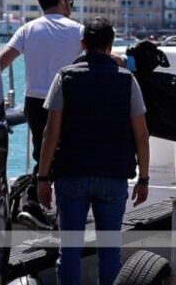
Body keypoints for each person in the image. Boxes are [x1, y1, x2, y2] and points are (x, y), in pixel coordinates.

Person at [36, 17, 150, 285]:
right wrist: (143, 178)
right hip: (113, 176)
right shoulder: (128, 81)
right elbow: (142, 135)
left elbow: (50, 134)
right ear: (111, 46)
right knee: (110, 253)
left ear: (83, 44)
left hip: (72, 174)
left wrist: (42, 177)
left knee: (69, 252)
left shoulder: (64, 77)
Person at [0, 0, 83, 227]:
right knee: (64, 155)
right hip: (65, 101)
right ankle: (39, 204)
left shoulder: (28, 29)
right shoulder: (78, 30)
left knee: (43, 152)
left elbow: (1, 62)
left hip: (34, 102)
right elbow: (101, 56)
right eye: (69, 2)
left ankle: (35, 204)